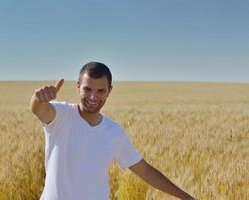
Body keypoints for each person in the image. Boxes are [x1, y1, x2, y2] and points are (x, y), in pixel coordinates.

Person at [30, 62, 196, 200]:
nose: (93, 96)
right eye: (87, 89)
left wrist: (186, 197)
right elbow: (38, 109)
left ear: (110, 90)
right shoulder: (61, 115)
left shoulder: (114, 132)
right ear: (78, 87)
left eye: (100, 90)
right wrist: (38, 98)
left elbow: (145, 171)